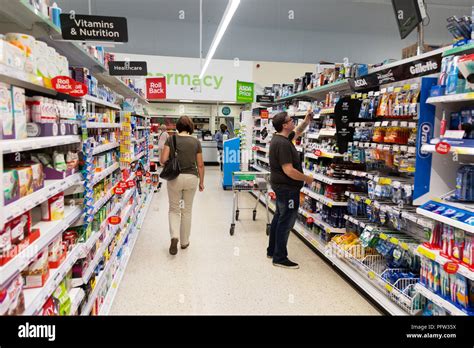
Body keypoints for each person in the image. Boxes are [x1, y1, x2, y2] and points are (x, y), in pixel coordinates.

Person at [267, 109, 314, 269]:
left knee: (279, 217)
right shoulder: (282, 144)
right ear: (285, 125)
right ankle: (280, 258)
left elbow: (298, 132)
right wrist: (307, 178)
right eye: (290, 120)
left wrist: (307, 121)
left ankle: (272, 250)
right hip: (287, 189)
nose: (293, 121)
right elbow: (289, 170)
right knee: (286, 221)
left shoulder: (281, 138)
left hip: (281, 188)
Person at [160, 116, 205, 255]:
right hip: (191, 178)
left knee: (174, 209)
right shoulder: (196, 142)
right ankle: (184, 242)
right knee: (186, 210)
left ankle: (174, 237)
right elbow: (201, 164)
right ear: (190, 127)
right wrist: (202, 182)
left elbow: (163, 160)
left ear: (178, 127)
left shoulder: (170, 139)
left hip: (175, 178)